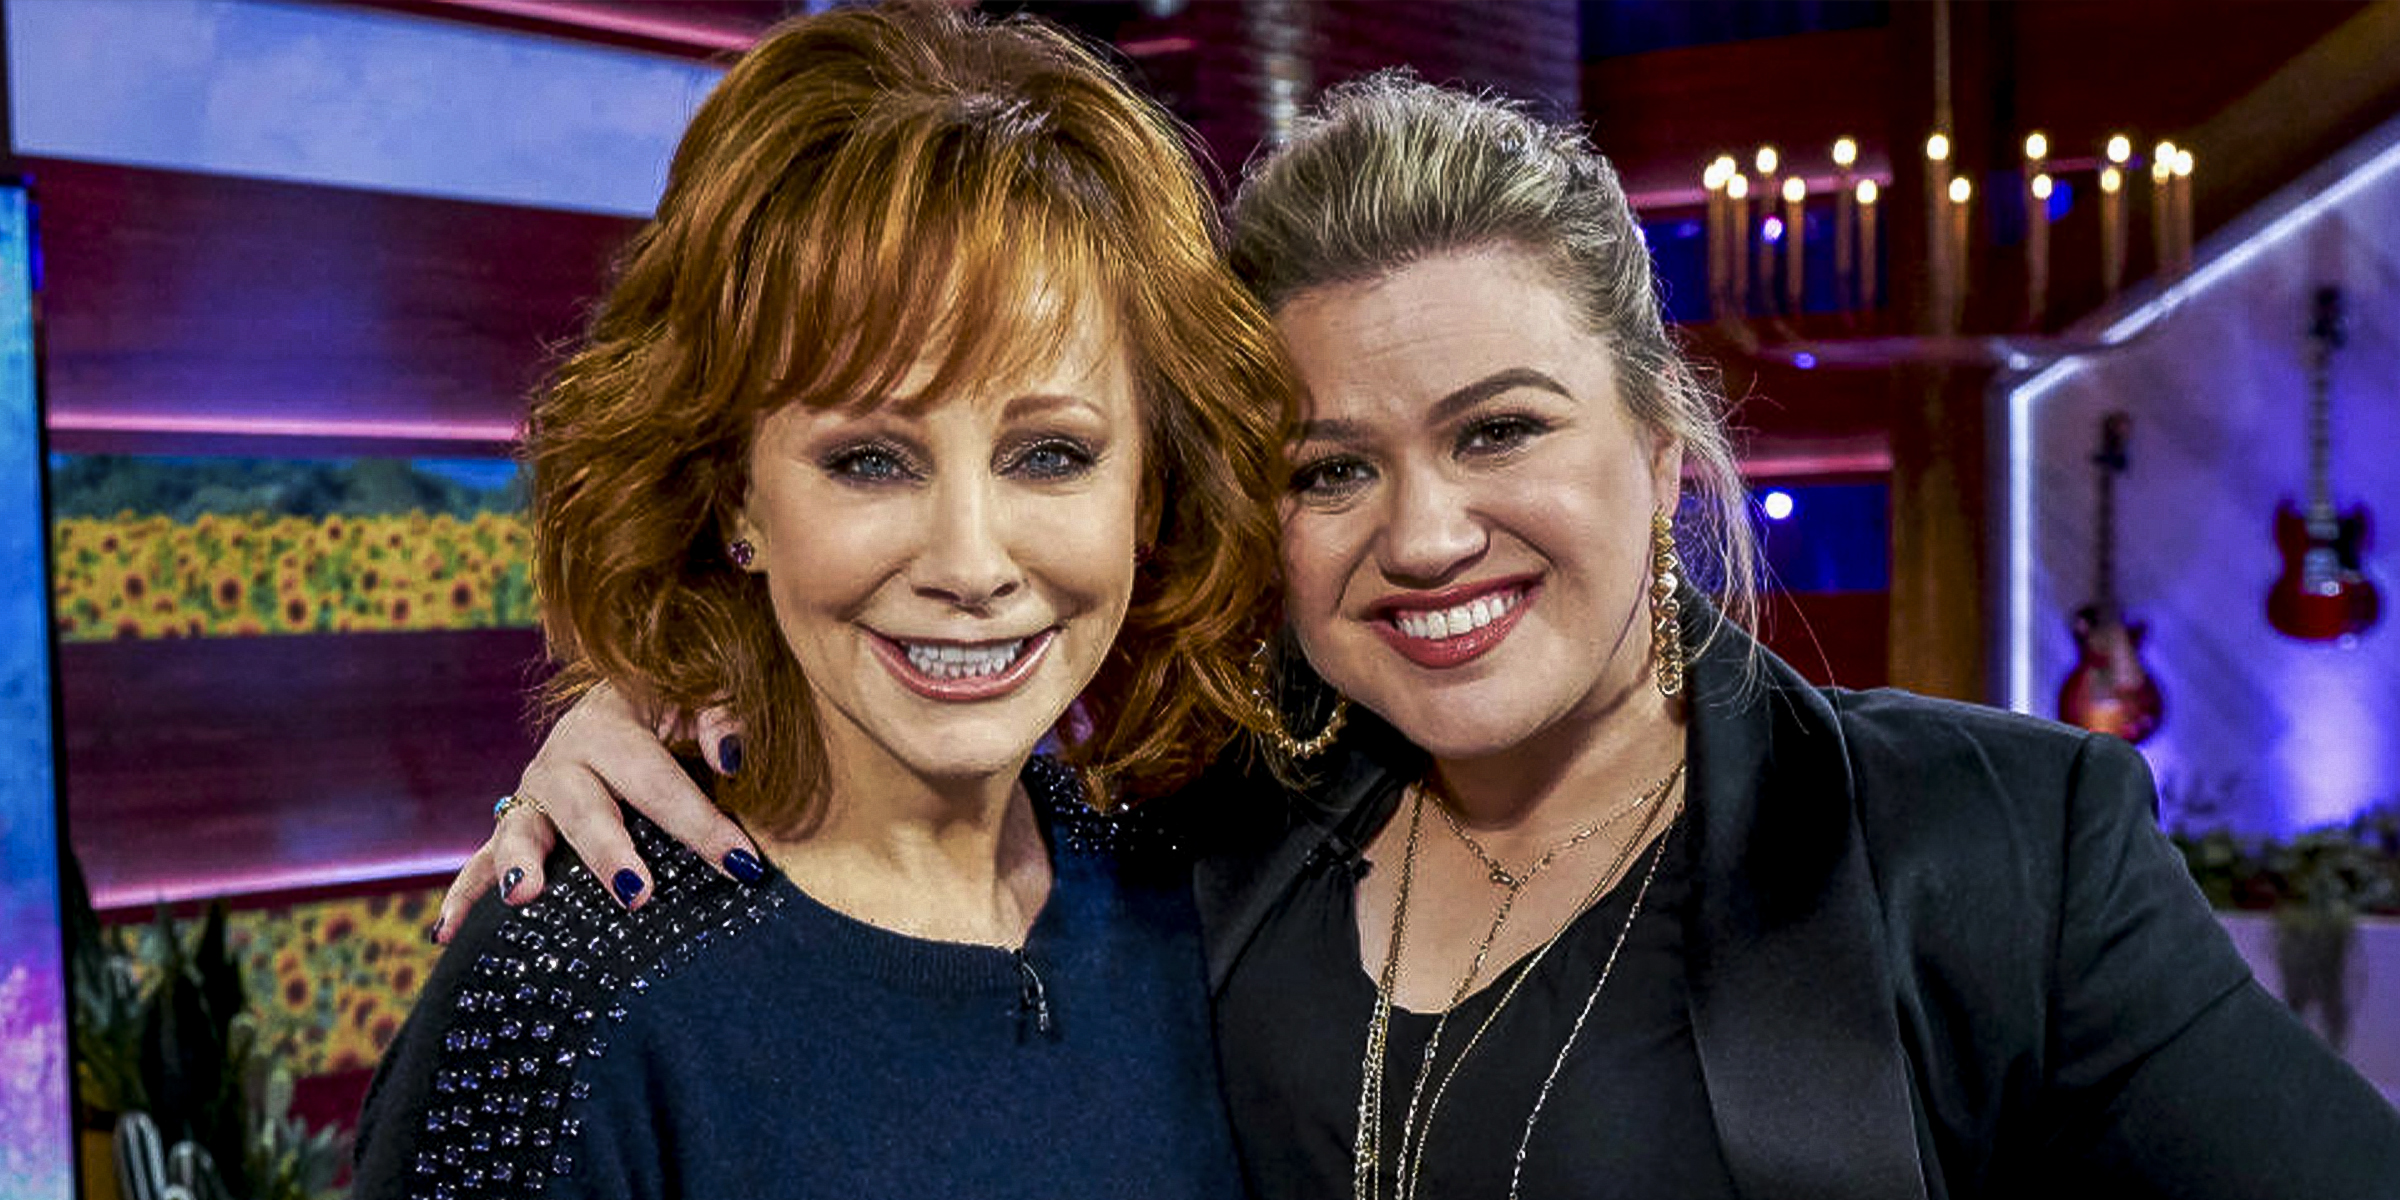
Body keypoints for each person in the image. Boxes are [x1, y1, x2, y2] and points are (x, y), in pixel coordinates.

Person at [437, 73, 2400, 1199]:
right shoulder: (1199, 838)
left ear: (1654, 439)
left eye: (1499, 431)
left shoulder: (1994, 848)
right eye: (1328, 469)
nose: (1425, 533)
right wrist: (664, 690)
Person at [350, 4, 1295, 1197]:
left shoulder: (1195, 895)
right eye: (871, 460)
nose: (970, 561)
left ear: (1152, 489)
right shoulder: (565, 1001)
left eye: (1049, 453)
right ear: (734, 495)